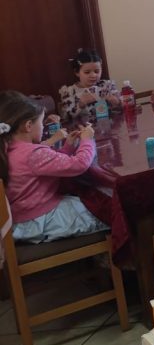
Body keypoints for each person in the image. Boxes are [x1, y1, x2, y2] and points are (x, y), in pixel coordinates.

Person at [0, 92, 106, 243]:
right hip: (41, 221)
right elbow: (80, 164)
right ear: (28, 126)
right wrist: (87, 141)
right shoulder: (33, 153)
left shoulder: (8, 150)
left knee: (89, 202)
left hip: (21, 222)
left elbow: (47, 165)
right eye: (41, 123)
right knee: (105, 211)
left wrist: (68, 147)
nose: (43, 127)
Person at [58, 48, 121, 121]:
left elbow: (121, 108)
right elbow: (66, 118)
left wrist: (117, 102)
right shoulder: (69, 91)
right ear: (77, 72)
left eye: (97, 71)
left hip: (108, 124)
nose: (93, 75)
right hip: (83, 127)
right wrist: (80, 105)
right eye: (87, 72)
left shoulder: (107, 85)